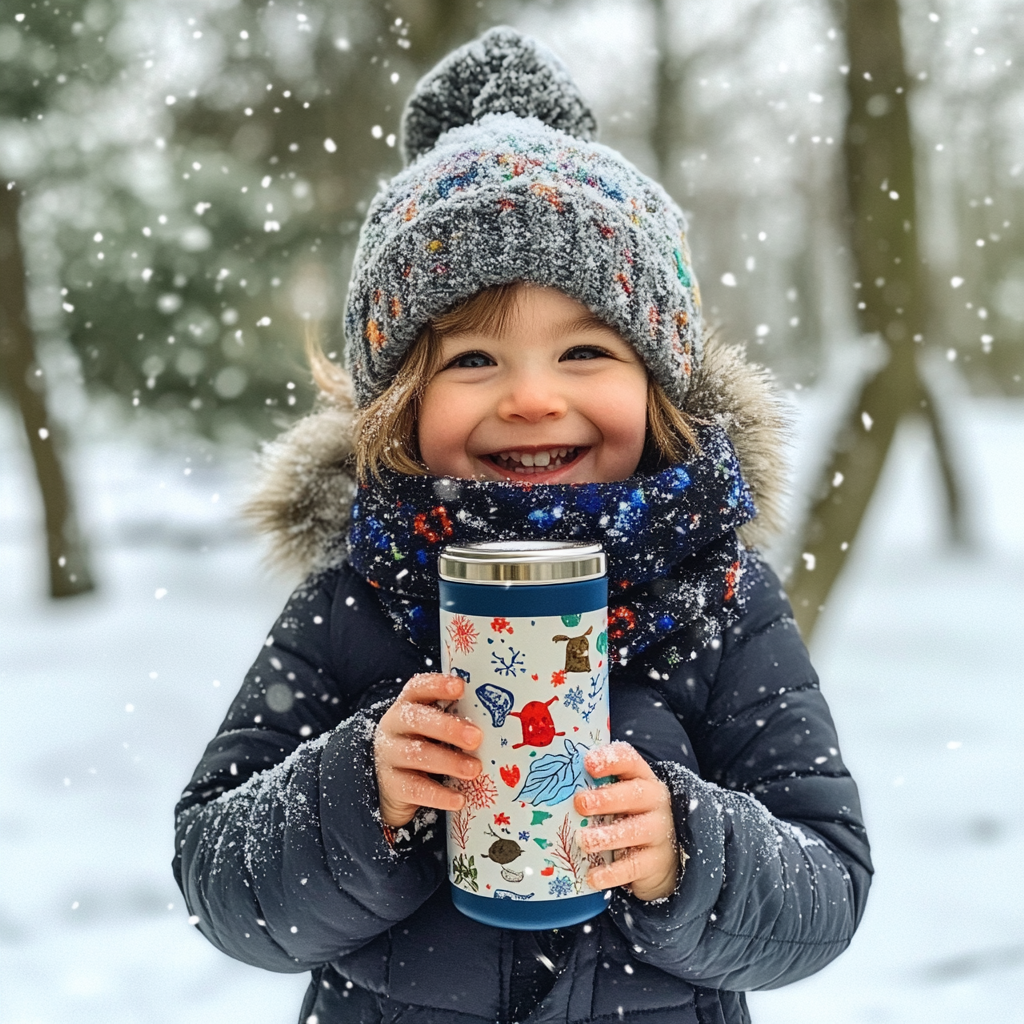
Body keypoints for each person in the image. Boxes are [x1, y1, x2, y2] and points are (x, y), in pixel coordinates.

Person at [173, 28, 871, 1024]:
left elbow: (828, 882)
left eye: (585, 350)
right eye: (470, 361)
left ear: (658, 385)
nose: (533, 398)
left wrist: (688, 849)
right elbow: (216, 876)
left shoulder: (717, 598)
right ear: (398, 402)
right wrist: (356, 793)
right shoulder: (357, 596)